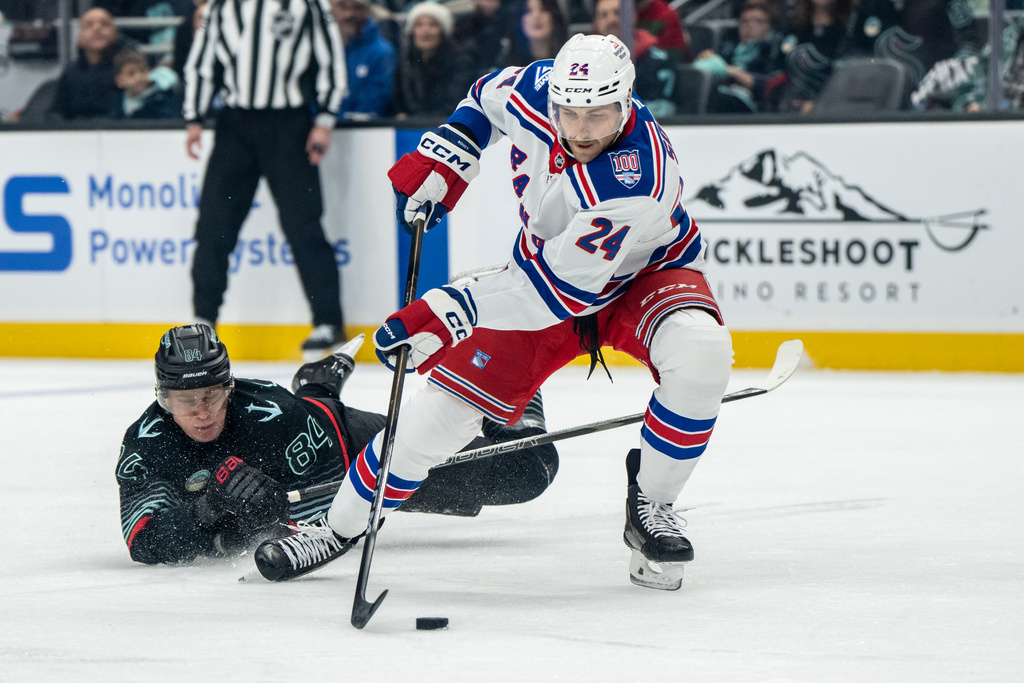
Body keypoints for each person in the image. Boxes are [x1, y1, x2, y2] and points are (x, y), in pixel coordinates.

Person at [254, 33, 734, 592]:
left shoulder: (638, 177)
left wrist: (452, 308)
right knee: (437, 420)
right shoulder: (535, 89)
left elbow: (559, 295)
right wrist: (452, 153)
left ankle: (651, 503)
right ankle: (337, 528)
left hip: (638, 278)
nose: (580, 130)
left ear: (626, 102)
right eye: (569, 113)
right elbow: (484, 97)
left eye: (598, 116)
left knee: (702, 353)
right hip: (542, 276)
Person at [117, 325, 558, 565]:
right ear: (163, 398)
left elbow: (343, 514)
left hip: (350, 448)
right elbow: (143, 542)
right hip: (309, 427)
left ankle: (514, 394)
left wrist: (277, 516)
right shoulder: (147, 444)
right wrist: (206, 509)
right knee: (308, 404)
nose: (202, 412)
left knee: (527, 474)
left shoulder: (271, 416)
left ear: (230, 388)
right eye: (186, 401)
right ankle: (315, 384)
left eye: (212, 396)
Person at [182, 0, 348, 357]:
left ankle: (328, 321)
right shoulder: (221, 6)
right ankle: (204, 319)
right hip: (234, 124)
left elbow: (331, 60)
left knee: (303, 224)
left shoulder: (307, 4)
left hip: (289, 124)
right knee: (214, 225)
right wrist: (194, 116)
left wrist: (325, 119)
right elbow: (202, 61)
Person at [592, 0, 683, 117]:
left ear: (633, 16)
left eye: (617, 13)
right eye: (603, 15)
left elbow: (658, 116)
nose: (611, 20)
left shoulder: (657, 63)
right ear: (596, 23)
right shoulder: (587, 64)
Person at [693, 0, 784, 112]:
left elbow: (773, 86)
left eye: (758, 21)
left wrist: (732, 72)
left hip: (752, 106)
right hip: (723, 93)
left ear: (770, 26)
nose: (749, 26)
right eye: (744, 21)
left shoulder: (774, 51)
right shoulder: (728, 49)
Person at [393, 2, 475, 118]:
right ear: (412, 32)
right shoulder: (406, 62)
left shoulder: (460, 61)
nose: (425, 30)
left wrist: (414, 119)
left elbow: (452, 104)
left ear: (443, 32)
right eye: (419, 25)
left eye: (432, 25)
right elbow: (400, 100)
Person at [48, 7, 127, 120]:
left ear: (115, 33)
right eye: (89, 25)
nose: (97, 28)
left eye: (104, 24)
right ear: (79, 37)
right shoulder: (71, 72)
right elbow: (57, 111)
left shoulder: (128, 68)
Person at [331, 0, 396, 120]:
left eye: (357, 7)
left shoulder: (381, 51)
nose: (349, 14)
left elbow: (373, 104)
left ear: (368, 10)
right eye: (343, 7)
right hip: (321, 130)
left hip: (363, 132)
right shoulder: (324, 49)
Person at [111, 48, 183, 118]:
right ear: (119, 81)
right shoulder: (114, 103)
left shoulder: (162, 100)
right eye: (131, 73)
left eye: (142, 71)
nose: (139, 77)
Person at [505, 0, 569, 66]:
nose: (536, 16)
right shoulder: (506, 70)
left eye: (543, 9)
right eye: (528, 11)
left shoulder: (571, 60)